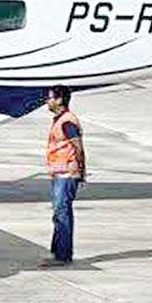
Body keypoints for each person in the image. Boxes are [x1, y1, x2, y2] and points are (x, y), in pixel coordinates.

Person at [41, 84, 86, 268]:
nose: (47, 101)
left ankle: (63, 255)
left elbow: (78, 146)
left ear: (59, 100)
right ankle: (58, 252)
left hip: (67, 174)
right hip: (60, 173)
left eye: (50, 98)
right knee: (59, 213)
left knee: (62, 214)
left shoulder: (67, 121)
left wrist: (81, 170)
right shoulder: (60, 120)